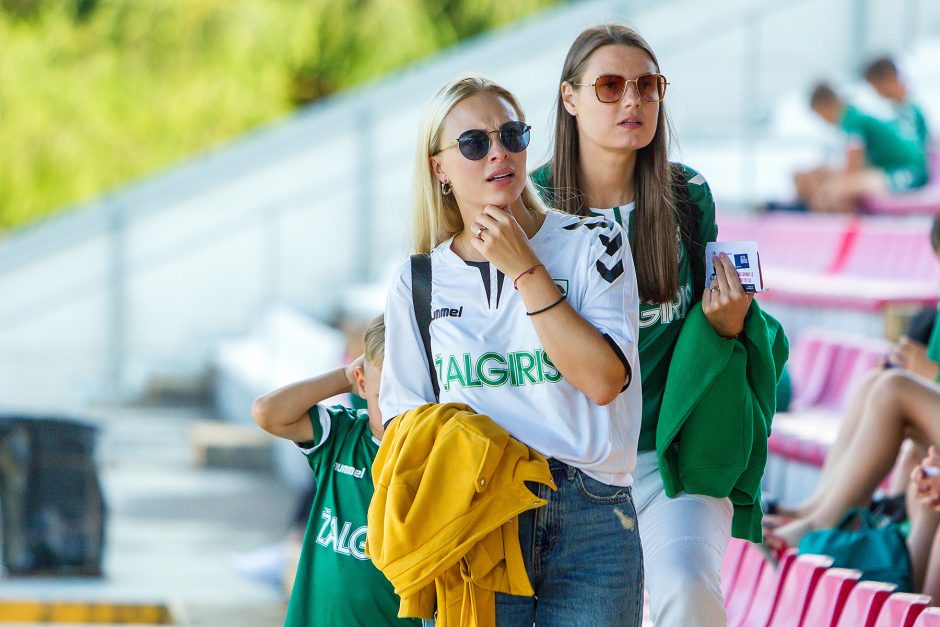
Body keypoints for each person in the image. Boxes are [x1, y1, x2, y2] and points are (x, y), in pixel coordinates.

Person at [380, 73, 644, 625]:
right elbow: (403, 424)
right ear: (439, 168)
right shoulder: (418, 279)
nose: (499, 153)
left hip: (591, 512)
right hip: (478, 516)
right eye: (474, 144)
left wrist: (524, 268)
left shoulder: (596, 243)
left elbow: (602, 382)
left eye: (513, 135)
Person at [532, 24, 754, 627]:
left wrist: (727, 326)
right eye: (609, 86)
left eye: (648, 86)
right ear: (569, 98)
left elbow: (711, 327)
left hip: (666, 456)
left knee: (688, 592)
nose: (633, 101)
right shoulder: (529, 204)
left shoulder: (687, 196)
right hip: (560, 463)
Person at [251, 314, 420, 627]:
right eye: (383, 392)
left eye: (408, 393)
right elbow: (267, 412)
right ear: (362, 382)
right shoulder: (343, 436)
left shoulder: (433, 457)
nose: (395, 405)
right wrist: (344, 375)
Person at [794, 83, 927, 213]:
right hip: (889, 169)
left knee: (838, 190)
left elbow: (853, 168)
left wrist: (825, 190)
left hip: (906, 171)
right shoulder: (853, 117)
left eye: (819, 115)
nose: (823, 121)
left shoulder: (852, 121)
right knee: (822, 181)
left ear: (824, 106)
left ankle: (845, 228)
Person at [864, 56, 931, 153]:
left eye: (876, 86)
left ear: (888, 79)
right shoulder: (895, 108)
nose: (876, 92)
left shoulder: (910, 110)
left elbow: (915, 149)